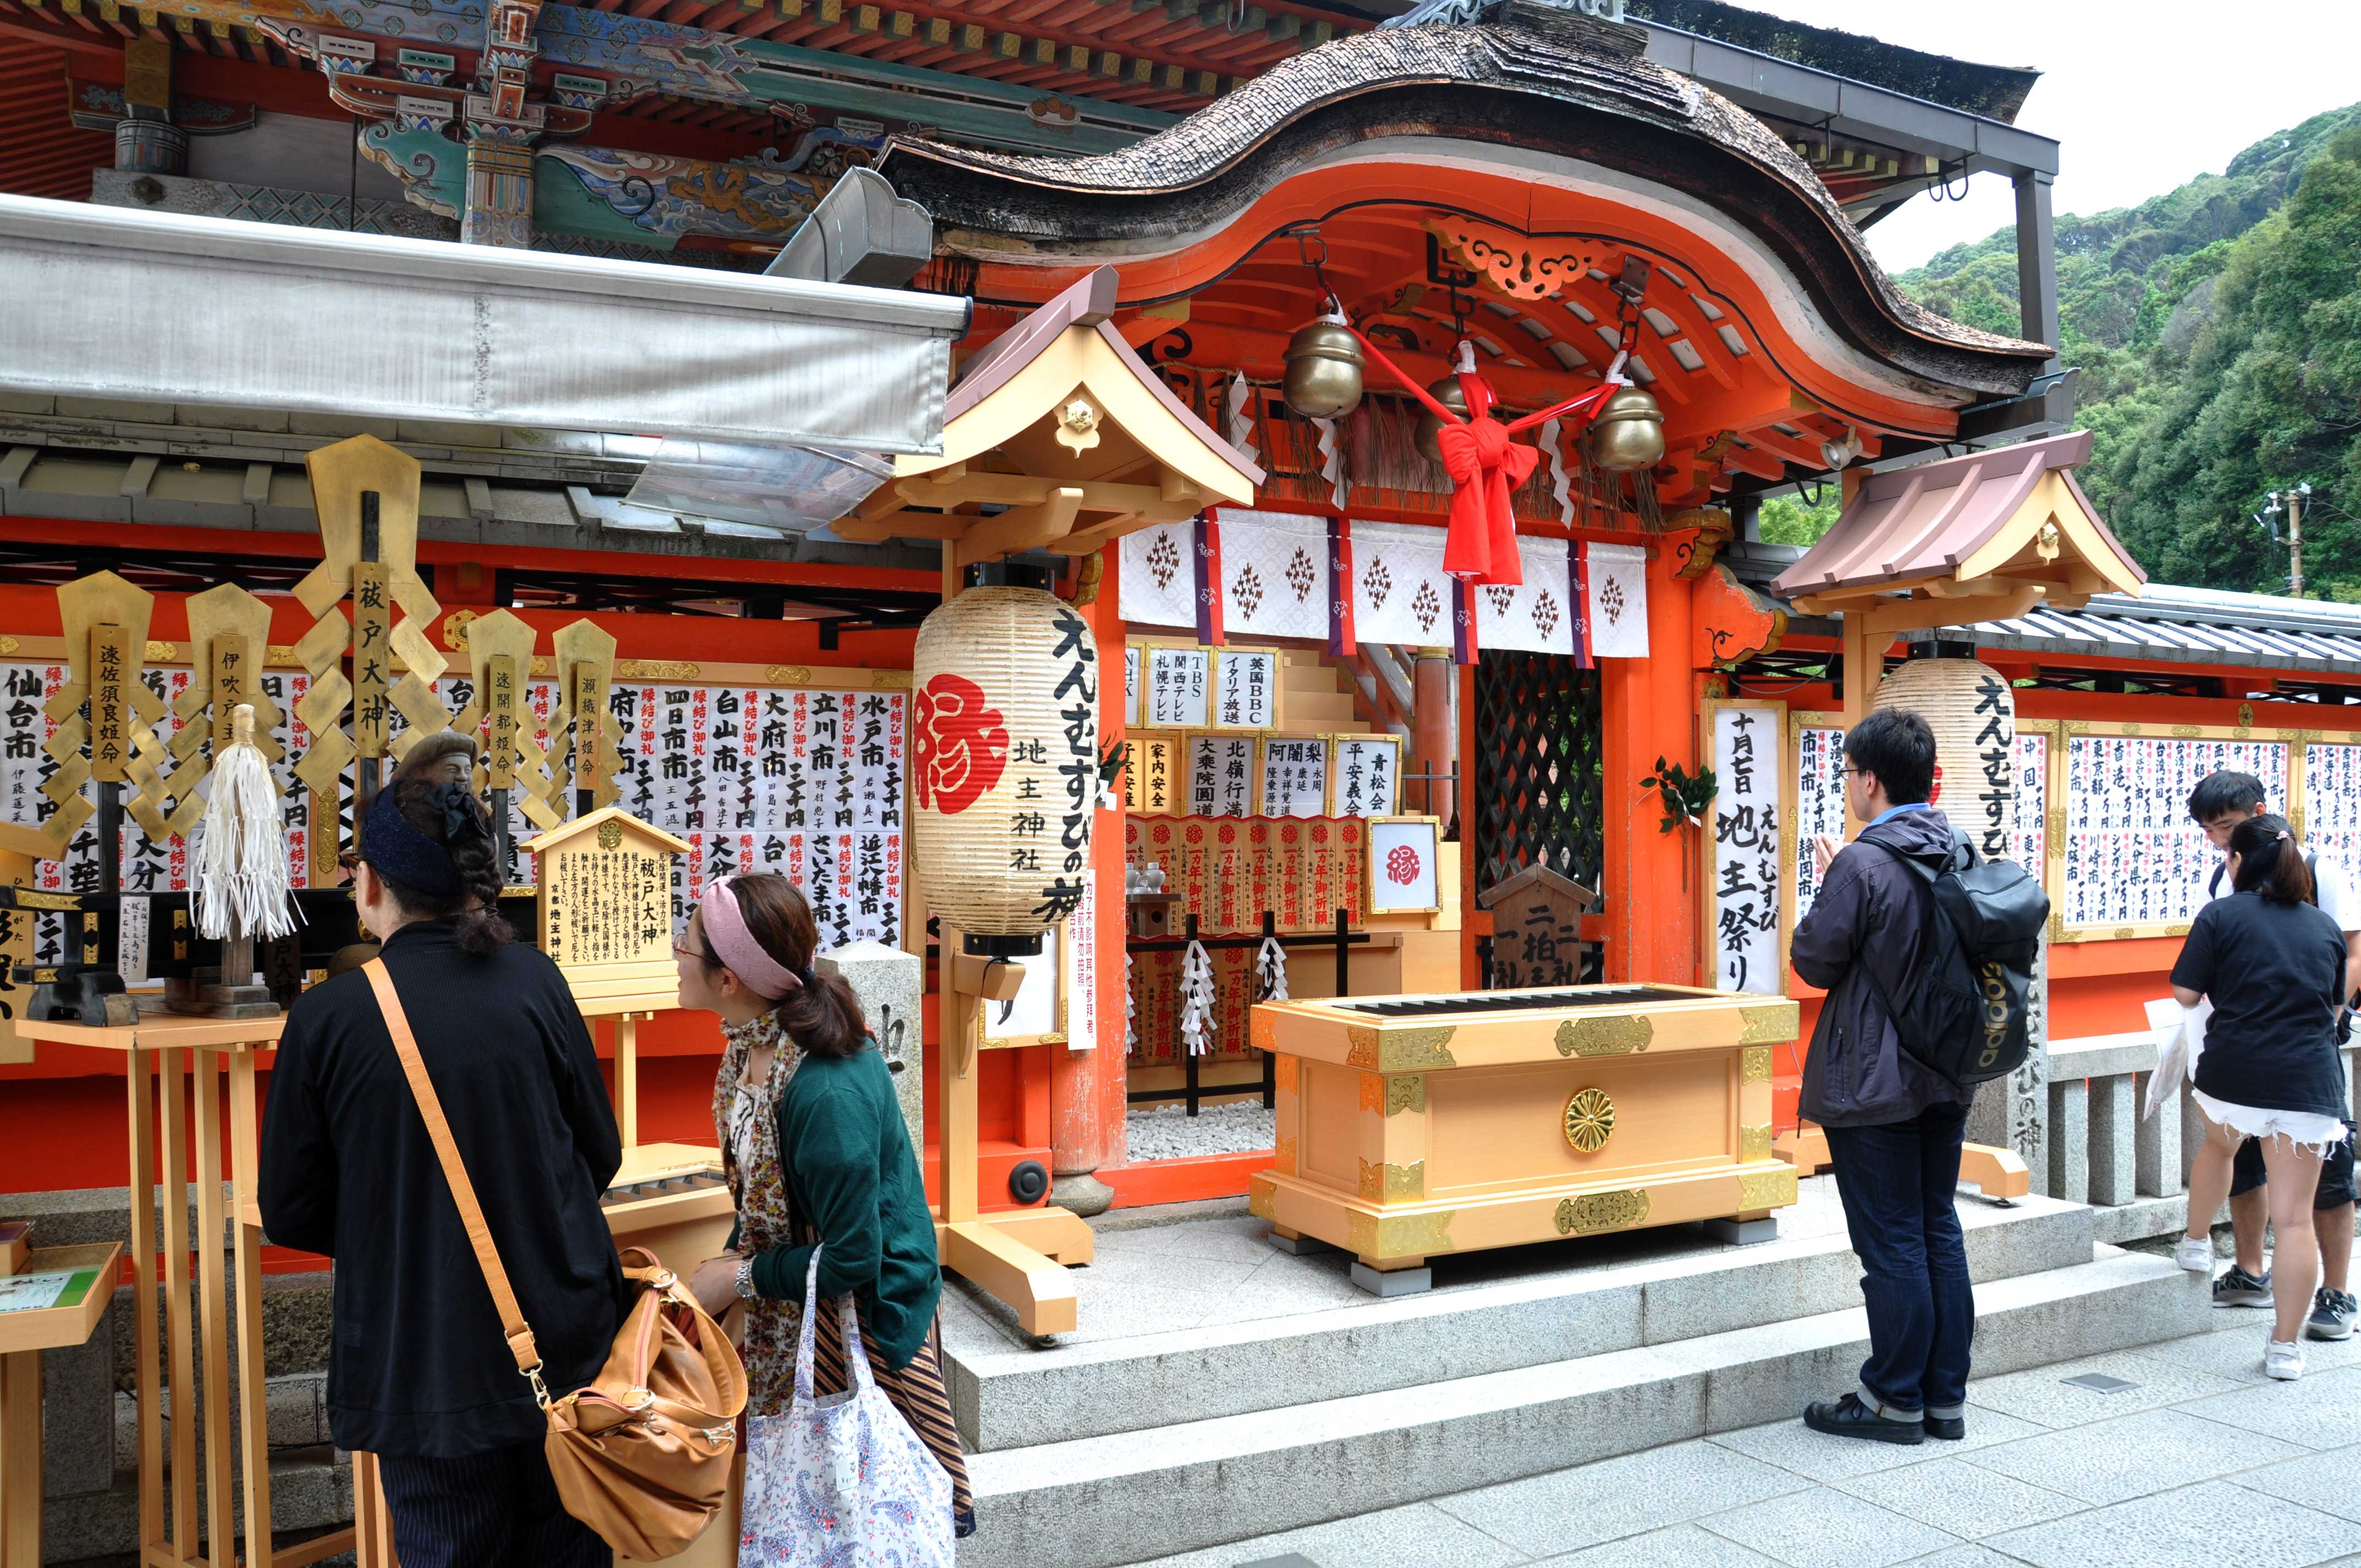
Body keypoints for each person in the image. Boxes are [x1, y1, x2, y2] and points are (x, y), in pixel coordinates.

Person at [260, 733, 624, 1567]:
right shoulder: (538, 982)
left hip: (423, 1358)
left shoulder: (329, 1019)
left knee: (447, 1547)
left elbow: (291, 1207)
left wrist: (399, 1232)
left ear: (377, 884)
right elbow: (597, 1154)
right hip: (562, 1344)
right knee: (569, 1548)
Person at [674, 872, 972, 1550]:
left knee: (870, 1509)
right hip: (813, 1305)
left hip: (865, 1317)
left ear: (730, 979)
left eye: (688, 945)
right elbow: (762, 1195)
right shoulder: (752, 1042)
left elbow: (853, 1257)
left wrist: (738, 1278)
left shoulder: (821, 1089)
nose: (675, 952)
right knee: (829, 1509)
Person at [1790, 707, 1975, 1446]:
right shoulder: (1959, 845)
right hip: (1949, 1069)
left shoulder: (1863, 862)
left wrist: (1831, 877)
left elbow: (1814, 961)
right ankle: (1943, 1398)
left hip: (1874, 1079)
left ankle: (1893, 1399)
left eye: (1848, 775)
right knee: (1938, 1228)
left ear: (1870, 780)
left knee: (1892, 1241)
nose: (1848, 786)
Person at [2170, 813, 2355, 1379]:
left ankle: (2197, 1243)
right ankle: (2283, 1350)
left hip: (2235, 1076)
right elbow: (2330, 998)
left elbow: (2184, 992)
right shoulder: (2323, 927)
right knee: (2294, 1220)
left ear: (2237, 862)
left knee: (2219, 1149)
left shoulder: (2220, 914)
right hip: (2307, 1081)